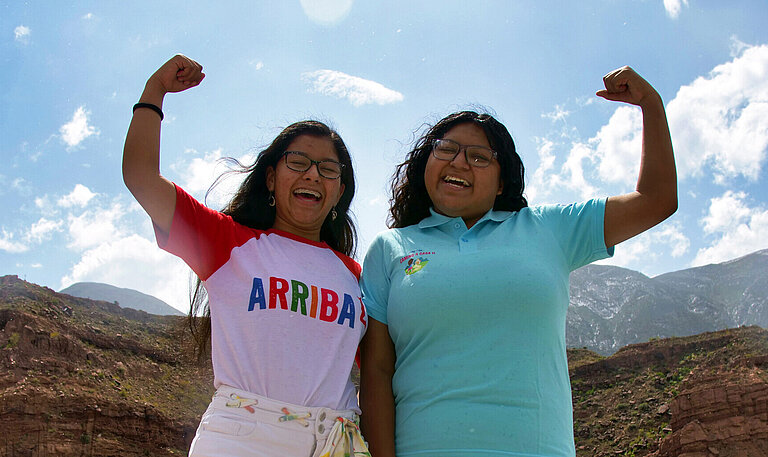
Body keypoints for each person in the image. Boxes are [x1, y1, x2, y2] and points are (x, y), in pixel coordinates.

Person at [359, 66, 677, 457]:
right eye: (446, 149)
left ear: (503, 181)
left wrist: (650, 104)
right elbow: (376, 372)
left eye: (479, 157)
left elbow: (656, 200)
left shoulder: (549, 229)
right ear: (427, 162)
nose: (459, 163)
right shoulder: (390, 247)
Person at [123, 55, 370, 457]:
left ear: (340, 191)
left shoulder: (358, 277)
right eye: (298, 163)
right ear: (271, 177)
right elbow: (140, 176)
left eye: (328, 169)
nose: (312, 175)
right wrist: (154, 91)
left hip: (336, 441)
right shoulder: (226, 242)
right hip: (241, 439)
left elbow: (382, 374)